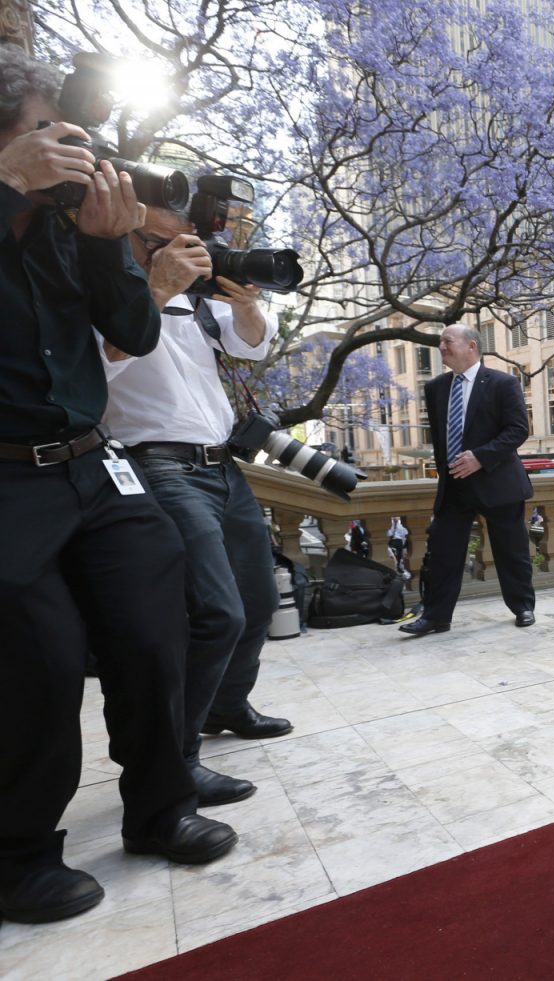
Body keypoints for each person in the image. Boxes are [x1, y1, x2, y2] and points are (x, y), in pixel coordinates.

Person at [0, 48, 235, 925]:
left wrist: (108, 247)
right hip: (7, 480)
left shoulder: (72, 225)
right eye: (45, 131)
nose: (72, 147)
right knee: (43, 664)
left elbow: (133, 329)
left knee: (153, 623)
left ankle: (161, 806)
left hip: (95, 461)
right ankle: (19, 852)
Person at [100, 204, 294, 808]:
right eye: (157, 240)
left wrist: (244, 303)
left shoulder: (196, 297)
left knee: (259, 600)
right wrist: (155, 291)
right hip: (154, 462)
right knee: (215, 613)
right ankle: (178, 759)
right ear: (127, 237)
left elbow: (253, 348)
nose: (173, 250)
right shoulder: (102, 289)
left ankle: (227, 705)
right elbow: (96, 366)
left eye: (180, 240)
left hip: (221, 463)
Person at [400, 325, 536, 636]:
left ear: (471, 346)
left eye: (447, 341)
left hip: (497, 482)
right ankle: (435, 617)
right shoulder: (435, 388)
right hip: (455, 487)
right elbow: (441, 441)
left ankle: (522, 607)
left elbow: (517, 431)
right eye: (440, 343)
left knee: (511, 551)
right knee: (443, 551)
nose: (441, 347)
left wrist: (479, 457)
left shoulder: (503, 383)